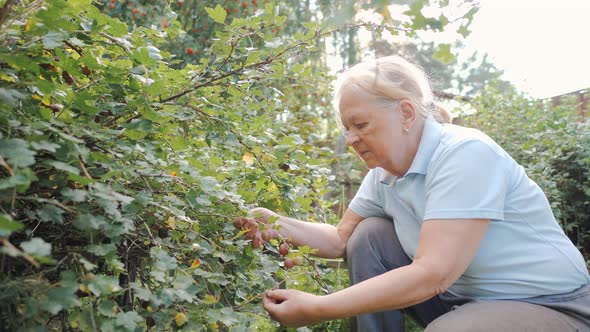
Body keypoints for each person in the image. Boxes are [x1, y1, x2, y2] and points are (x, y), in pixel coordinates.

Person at [234, 56, 590, 331]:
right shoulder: (384, 174)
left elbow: (433, 274)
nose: (351, 138)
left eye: (360, 124)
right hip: (460, 298)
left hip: (551, 305)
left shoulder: (465, 154)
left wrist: (319, 307)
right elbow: (341, 240)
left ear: (405, 112)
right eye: (346, 128)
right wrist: (275, 222)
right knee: (368, 233)